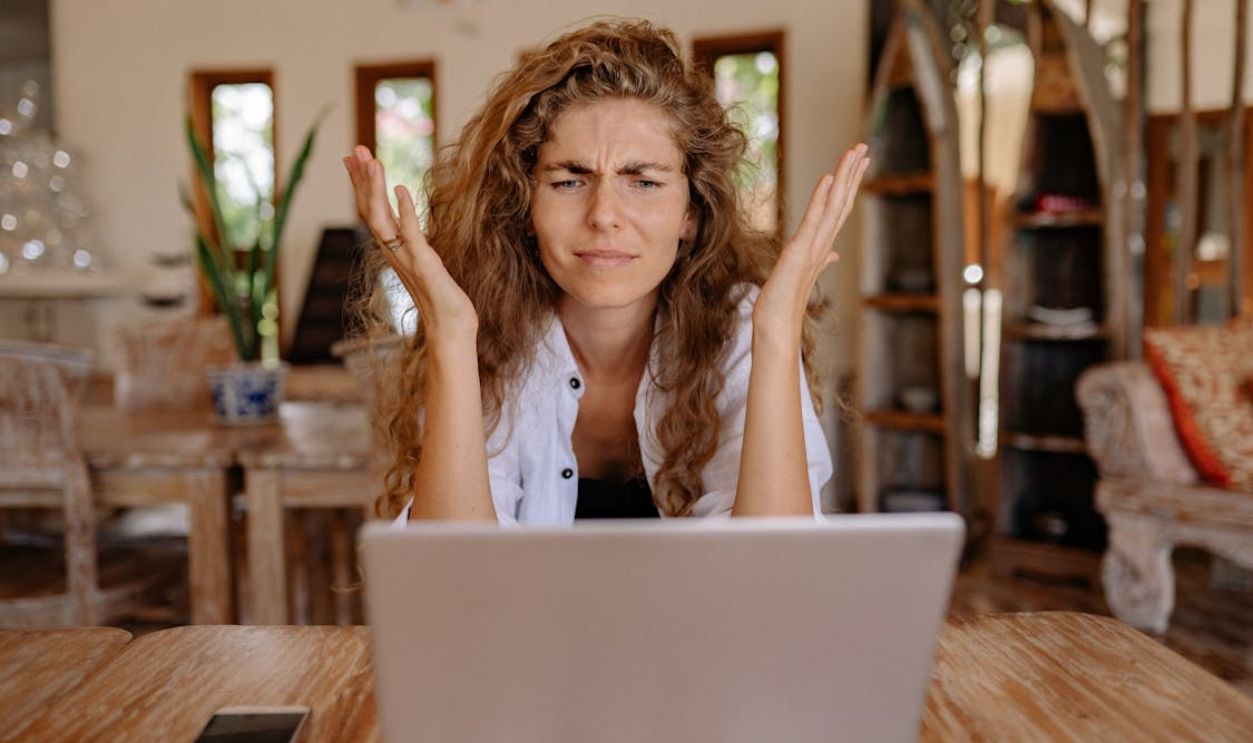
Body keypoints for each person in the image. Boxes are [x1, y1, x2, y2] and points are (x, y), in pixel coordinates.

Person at [344, 19, 867, 524]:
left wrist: (776, 331)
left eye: (643, 181)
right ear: (525, 206)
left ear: (691, 211)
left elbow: (773, 577)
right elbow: (453, 580)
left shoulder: (738, 324)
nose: (603, 215)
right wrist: (452, 336)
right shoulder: (488, 331)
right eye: (570, 181)